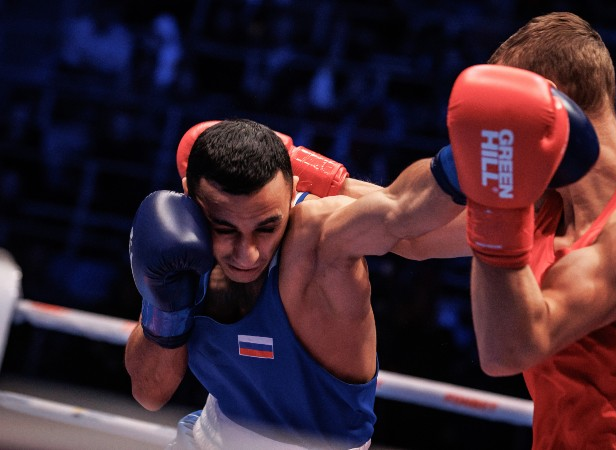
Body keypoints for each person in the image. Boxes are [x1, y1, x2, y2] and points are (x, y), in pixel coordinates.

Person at [124, 118, 465, 449]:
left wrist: (469, 159)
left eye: (267, 227)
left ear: (292, 191)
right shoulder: (181, 246)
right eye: (225, 229)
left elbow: (411, 217)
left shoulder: (319, 240)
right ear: (189, 196)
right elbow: (149, 393)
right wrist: (165, 307)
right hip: (205, 435)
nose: (248, 253)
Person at [446, 12, 616, 449]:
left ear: (550, 101)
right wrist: (317, 176)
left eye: (505, 115)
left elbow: (508, 350)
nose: (500, 136)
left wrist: (492, 202)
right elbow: (403, 227)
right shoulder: (543, 208)